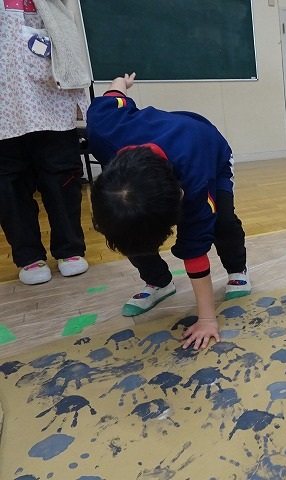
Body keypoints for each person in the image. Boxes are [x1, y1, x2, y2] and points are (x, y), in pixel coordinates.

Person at [87, 73, 251, 350]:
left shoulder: (196, 179)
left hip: (212, 152)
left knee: (222, 221)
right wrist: (121, 82)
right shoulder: (103, 127)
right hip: (160, 158)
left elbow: (194, 249)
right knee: (131, 228)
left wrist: (207, 319)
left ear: (180, 194)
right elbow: (113, 97)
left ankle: (237, 268)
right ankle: (159, 282)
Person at [0, 0, 90, 285]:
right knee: (9, 184)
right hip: (5, 103)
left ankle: (70, 249)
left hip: (50, 94)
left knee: (61, 176)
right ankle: (28, 256)